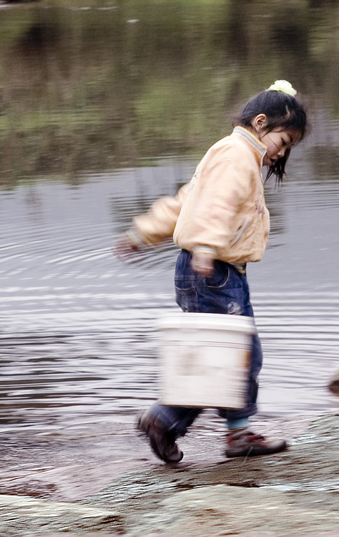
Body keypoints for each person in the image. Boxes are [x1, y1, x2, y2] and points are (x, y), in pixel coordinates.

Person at [114, 80, 307, 463]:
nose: (279, 154)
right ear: (261, 123)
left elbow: (185, 203)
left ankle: (195, 426)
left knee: (220, 355)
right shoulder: (237, 155)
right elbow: (214, 207)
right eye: (282, 143)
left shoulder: (231, 154)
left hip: (216, 270)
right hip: (212, 269)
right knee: (237, 355)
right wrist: (204, 246)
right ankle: (177, 421)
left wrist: (143, 232)